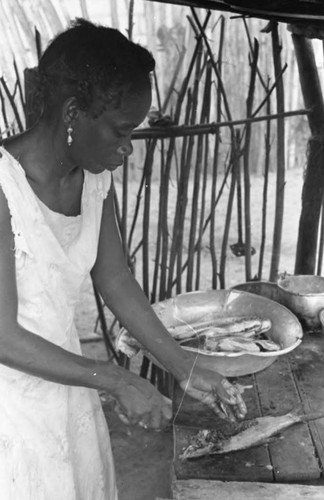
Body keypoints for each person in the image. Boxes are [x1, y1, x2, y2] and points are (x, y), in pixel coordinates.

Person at [0, 18, 246, 499]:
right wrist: (114, 380)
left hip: (68, 385)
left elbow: (115, 280)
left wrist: (185, 368)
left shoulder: (94, 180)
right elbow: (2, 336)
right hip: (11, 405)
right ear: (73, 112)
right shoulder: (4, 188)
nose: (128, 148)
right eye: (121, 130)